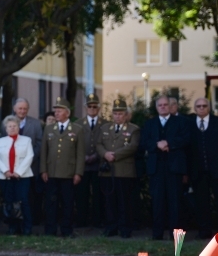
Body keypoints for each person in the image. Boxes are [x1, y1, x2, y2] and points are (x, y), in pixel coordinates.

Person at [140, 94, 190, 240]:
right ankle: (157, 234)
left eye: (165, 105)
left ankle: (175, 235)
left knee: (175, 202)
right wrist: (156, 144)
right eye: (160, 105)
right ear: (156, 108)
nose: (163, 107)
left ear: (170, 106)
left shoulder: (181, 122)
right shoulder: (150, 123)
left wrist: (169, 144)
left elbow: (186, 139)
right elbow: (143, 142)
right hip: (156, 169)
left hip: (174, 168)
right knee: (157, 202)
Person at [41, 97, 84, 237]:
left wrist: (78, 173)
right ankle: (50, 229)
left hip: (68, 173)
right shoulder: (48, 129)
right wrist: (43, 170)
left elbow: (80, 154)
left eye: (59, 111)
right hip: (52, 172)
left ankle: (66, 229)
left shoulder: (77, 130)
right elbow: (44, 152)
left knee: (67, 203)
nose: (56, 113)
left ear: (67, 113)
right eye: (56, 111)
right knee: (51, 203)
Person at [97, 99, 140, 238]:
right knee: (109, 202)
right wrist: (105, 154)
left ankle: (125, 228)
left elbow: (133, 146)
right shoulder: (104, 129)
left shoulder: (133, 129)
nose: (117, 116)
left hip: (124, 171)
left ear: (126, 115)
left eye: (120, 113)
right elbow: (98, 144)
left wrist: (114, 155)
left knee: (124, 202)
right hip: (107, 171)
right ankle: (111, 227)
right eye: (115, 113)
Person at [188, 97, 218, 239]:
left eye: (204, 106)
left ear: (209, 107)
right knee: (202, 202)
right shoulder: (189, 124)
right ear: (195, 108)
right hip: (198, 171)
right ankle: (204, 231)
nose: (202, 108)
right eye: (199, 106)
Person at [0, 116, 34, 235]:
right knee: (9, 202)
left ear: (18, 127)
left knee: (24, 202)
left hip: (23, 177)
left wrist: (18, 172)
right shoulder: (1, 141)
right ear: (6, 128)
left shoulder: (26, 140)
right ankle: (12, 228)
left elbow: (29, 156)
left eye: (14, 126)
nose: (12, 128)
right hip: (5, 177)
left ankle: (27, 228)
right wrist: (5, 171)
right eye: (9, 126)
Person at [12, 99, 44, 224]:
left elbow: (39, 143)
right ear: (15, 109)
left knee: (31, 195)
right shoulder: (7, 122)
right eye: (20, 108)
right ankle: (15, 220)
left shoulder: (35, 123)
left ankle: (33, 221)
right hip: (12, 168)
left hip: (31, 166)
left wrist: (29, 159)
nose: (22, 111)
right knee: (15, 195)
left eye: (25, 108)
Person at [76, 94, 106, 228]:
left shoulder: (105, 124)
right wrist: (83, 157)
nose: (92, 109)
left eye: (95, 106)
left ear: (99, 108)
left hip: (99, 164)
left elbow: (107, 143)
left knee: (98, 195)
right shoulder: (77, 124)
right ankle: (81, 220)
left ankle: (97, 221)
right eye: (89, 106)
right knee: (81, 194)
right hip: (82, 165)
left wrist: (96, 156)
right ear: (85, 108)